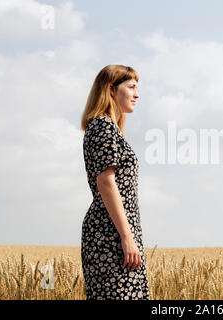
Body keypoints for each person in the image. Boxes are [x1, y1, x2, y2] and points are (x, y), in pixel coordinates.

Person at [80, 64, 150, 300]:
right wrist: (126, 237)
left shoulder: (110, 129)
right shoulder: (102, 126)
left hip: (117, 232)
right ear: (111, 90)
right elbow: (106, 181)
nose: (136, 94)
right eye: (131, 87)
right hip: (109, 236)